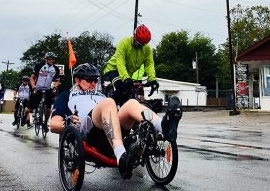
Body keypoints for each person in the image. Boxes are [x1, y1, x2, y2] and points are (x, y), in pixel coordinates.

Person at [51, 63, 182, 179]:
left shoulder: (101, 95)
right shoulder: (66, 96)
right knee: (109, 102)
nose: (93, 84)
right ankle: (121, 157)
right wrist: (67, 124)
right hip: (90, 135)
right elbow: (53, 125)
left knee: (131, 103)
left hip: (113, 131)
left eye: (95, 80)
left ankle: (163, 126)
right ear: (77, 80)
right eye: (89, 80)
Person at [103, 24, 159, 106]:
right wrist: (126, 78)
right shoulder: (124, 43)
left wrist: (152, 79)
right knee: (121, 87)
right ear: (134, 36)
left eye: (143, 45)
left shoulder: (147, 49)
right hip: (113, 69)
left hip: (127, 73)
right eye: (139, 43)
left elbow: (149, 64)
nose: (140, 46)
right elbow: (120, 62)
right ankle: (107, 107)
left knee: (127, 94)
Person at [29, 52, 61, 133]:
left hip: (47, 89)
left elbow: (57, 80)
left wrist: (55, 87)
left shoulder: (56, 69)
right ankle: (34, 114)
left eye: (53, 59)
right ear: (45, 59)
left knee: (48, 109)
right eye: (49, 59)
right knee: (29, 108)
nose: (51, 60)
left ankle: (45, 123)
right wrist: (33, 87)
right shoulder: (39, 66)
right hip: (38, 88)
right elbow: (32, 78)